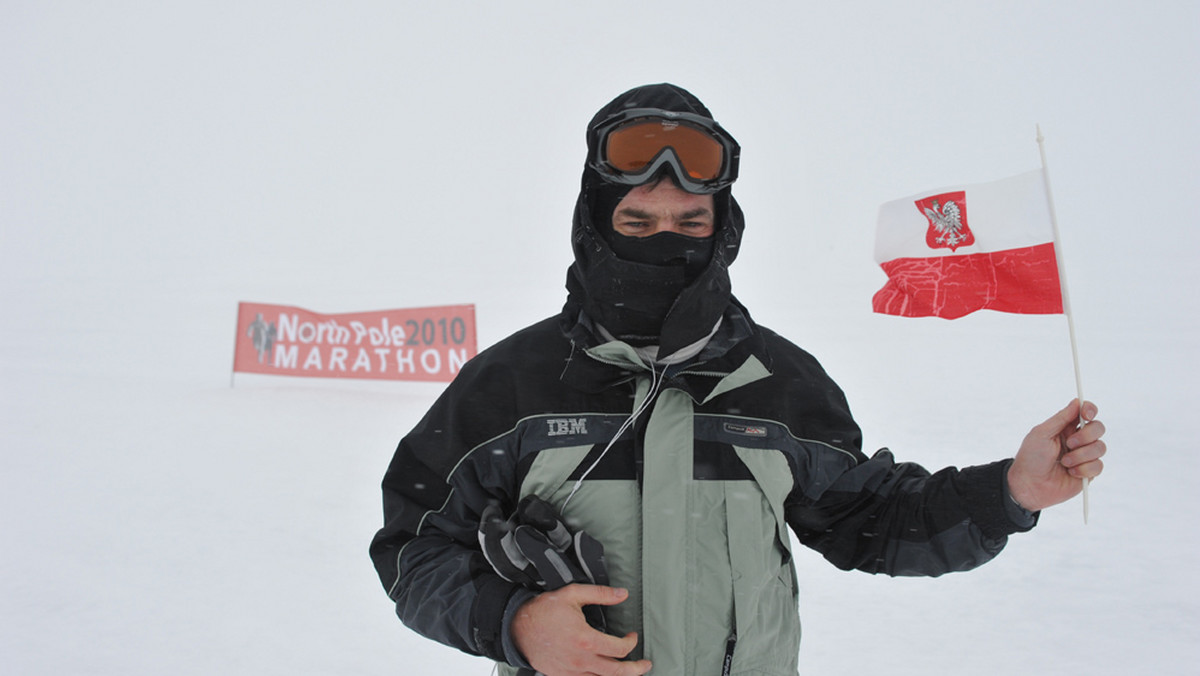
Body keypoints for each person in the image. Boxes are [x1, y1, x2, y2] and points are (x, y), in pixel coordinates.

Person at [369, 83, 1107, 676]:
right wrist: (515, 624)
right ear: (595, 226)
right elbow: (413, 548)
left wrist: (1012, 491)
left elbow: (876, 520)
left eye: (690, 224)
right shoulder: (513, 384)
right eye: (637, 223)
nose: (666, 239)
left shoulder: (775, 382)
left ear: (721, 233)